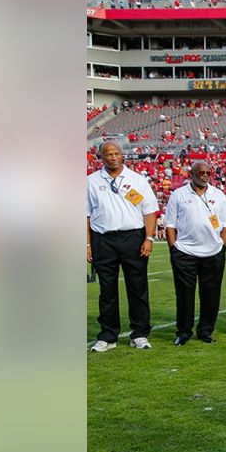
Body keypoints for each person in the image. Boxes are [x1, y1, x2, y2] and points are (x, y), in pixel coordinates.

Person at [87, 141, 159, 351]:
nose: (113, 157)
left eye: (116, 153)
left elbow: (149, 211)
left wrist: (149, 238)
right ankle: (108, 336)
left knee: (137, 288)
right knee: (107, 290)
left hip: (132, 238)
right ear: (101, 156)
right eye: (108, 154)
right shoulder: (90, 181)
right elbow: (86, 214)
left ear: (122, 155)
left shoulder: (137, 179)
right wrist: (87, 244)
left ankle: (140, 333)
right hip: (103, 239)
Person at [163, 161, 226, 346]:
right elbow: (170, 224)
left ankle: (206, 331)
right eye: (200, 172)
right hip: (185, 251)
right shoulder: (178, 195)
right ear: (191, 174)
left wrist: (222, 247)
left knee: (211, 294)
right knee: (184, 294)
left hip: (213, 252)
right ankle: (183, 332)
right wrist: (174, 248)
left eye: (208, 172)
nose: (205, 175)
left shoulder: (218, 195)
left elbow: (225, 225)